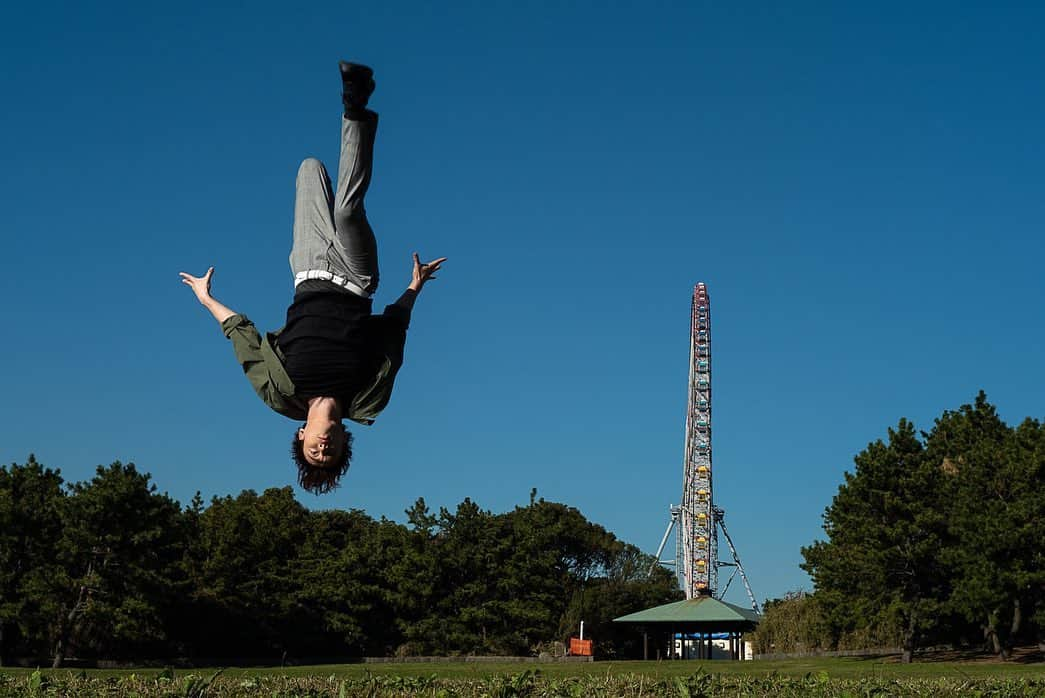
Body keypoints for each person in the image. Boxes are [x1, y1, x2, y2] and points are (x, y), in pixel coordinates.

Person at [180, 61, 446, 494]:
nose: (323, 448)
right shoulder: (366, 397)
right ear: (343, 441)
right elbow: (394, 335)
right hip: (356, 278)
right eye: (331, 452)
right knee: (346, 210)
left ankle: (353, 117)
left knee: (309, 168)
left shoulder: (279, 393)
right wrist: (414, 287)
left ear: (301, 436)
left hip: (306, 269)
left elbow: (243, 338)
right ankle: (356, 104)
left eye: (315, 451)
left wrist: (207, 299)